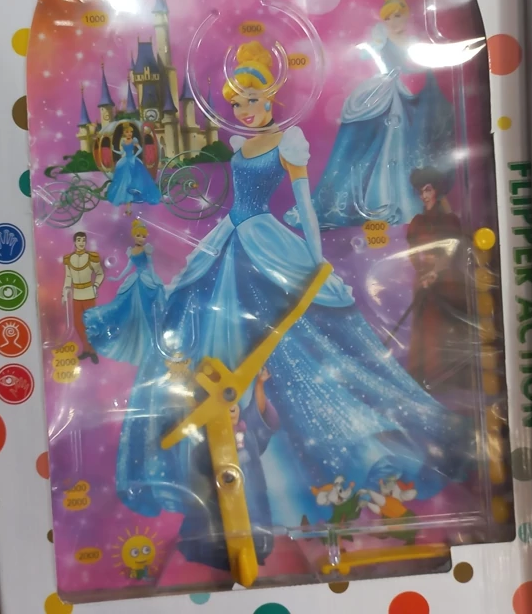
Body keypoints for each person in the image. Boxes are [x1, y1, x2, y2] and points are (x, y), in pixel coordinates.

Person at [108, 41, 470, 570]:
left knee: (292, 345)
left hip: (264, 243)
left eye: (253, 100)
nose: (245, 110)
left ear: (271, 98)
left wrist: (314, 259)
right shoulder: (238, 146)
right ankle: (218, 494)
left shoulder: (288, 143)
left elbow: (303, 202)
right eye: (238, 103)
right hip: (229, 240)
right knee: (200, 336)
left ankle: (316, 480)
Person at [286, 0, 455, 229]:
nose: (394, 21)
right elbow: (366, 57)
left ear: (406, 15)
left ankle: (410, 200)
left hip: (416, 99)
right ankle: (381, 199)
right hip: (393, 96)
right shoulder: (382, 40)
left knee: (413, 147)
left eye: (398, 15)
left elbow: (423, 68)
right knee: (386, 143)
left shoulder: (415, 41)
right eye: (389, 17)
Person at [176, 367, 279, 569]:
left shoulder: (247, 430)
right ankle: (218, 549)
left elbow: (257, 411)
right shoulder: (209, 436)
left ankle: (257, 548)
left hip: (252, 487)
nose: (231, 410)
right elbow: (199, 459)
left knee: (255, 516)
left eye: (234, 407)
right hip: (221, 489)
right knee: (217, 518)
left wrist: (259, 384)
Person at [405, 167, 470, 389]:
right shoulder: (417, 222)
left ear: (436, 191)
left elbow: (452, 251)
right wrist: (422, 272)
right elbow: (412, 252)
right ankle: (422, 375)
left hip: (446, 280)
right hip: (423, 280)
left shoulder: (449, 220)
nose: (424, 195)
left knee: (442, 325)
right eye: (420, 191)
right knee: (423, 326)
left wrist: (435, 272)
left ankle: (443, 375)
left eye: (428, 190)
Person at [83, 219, 165, 366]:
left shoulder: (147, 250)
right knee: (124, 306)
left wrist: (155, 279)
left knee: (147, 308)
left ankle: (147, 342)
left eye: (143, 236)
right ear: (134, 236)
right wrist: (117, 278)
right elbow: (128, 267)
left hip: (145, 279)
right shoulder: (131, 251)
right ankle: (132, 338)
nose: (141, 238)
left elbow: (151, 266)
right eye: (138, 235)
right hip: (135, 280)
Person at [61, 232, 104, 364]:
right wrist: (64, 293)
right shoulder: (69, 259)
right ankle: (86, 349)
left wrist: (95, 286)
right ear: (74, 242)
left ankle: (93, 351)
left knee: (91, 324)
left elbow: (100, 274)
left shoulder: (91, 257)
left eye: (83, 240)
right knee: (78, 324)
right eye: (79, 240)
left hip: (89, 294)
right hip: (76, 295)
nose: (81, 243)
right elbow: (68, 277)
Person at [105, 124, 162, 216]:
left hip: (132, 159)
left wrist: (134, 156)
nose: (129, 134)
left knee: (134, 178)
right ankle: (128, 206)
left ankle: (133, 198)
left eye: (130, 132)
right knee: (124, 180)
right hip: (125, 160)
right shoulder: (123, 141)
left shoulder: (134, 140)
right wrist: (113, 150)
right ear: (124, 133)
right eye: (127, 132)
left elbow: (140, 149)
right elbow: (121, 152)